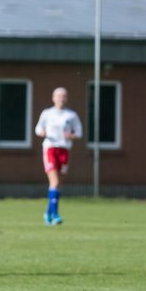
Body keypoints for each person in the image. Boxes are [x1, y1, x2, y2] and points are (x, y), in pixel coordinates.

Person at [34, 87, 83, 225]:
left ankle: (48, 212)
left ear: (67, 98)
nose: (61, 98)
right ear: (53, 98)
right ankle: (55, 214)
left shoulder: (71, 115)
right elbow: (38, 128)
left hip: (64, 149)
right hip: (50, 148)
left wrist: (71, 135)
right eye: (58, 96)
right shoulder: (47, 113)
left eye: (64, 96)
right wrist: (41, 132)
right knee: (54, 182)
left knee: (58, 183)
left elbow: (79, 132)